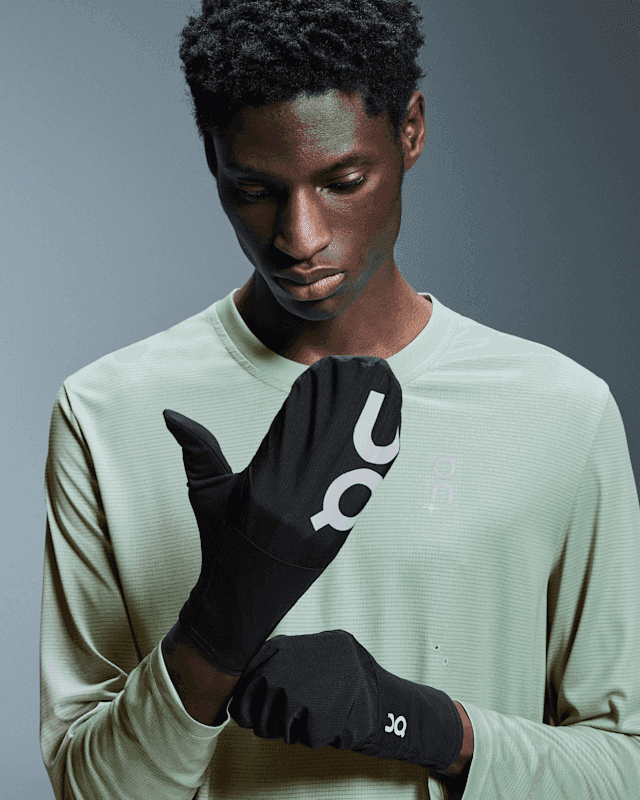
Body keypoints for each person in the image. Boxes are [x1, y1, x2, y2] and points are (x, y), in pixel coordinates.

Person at [40, 0, 640, 798]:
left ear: (411, 130)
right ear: (213, 158)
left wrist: (415, 722)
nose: (301, 237)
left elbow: (625, 766)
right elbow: (90, 789)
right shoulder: (107, 412)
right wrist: (217, 627)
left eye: (343, 182)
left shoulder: (561, 411)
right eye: (254, 189)